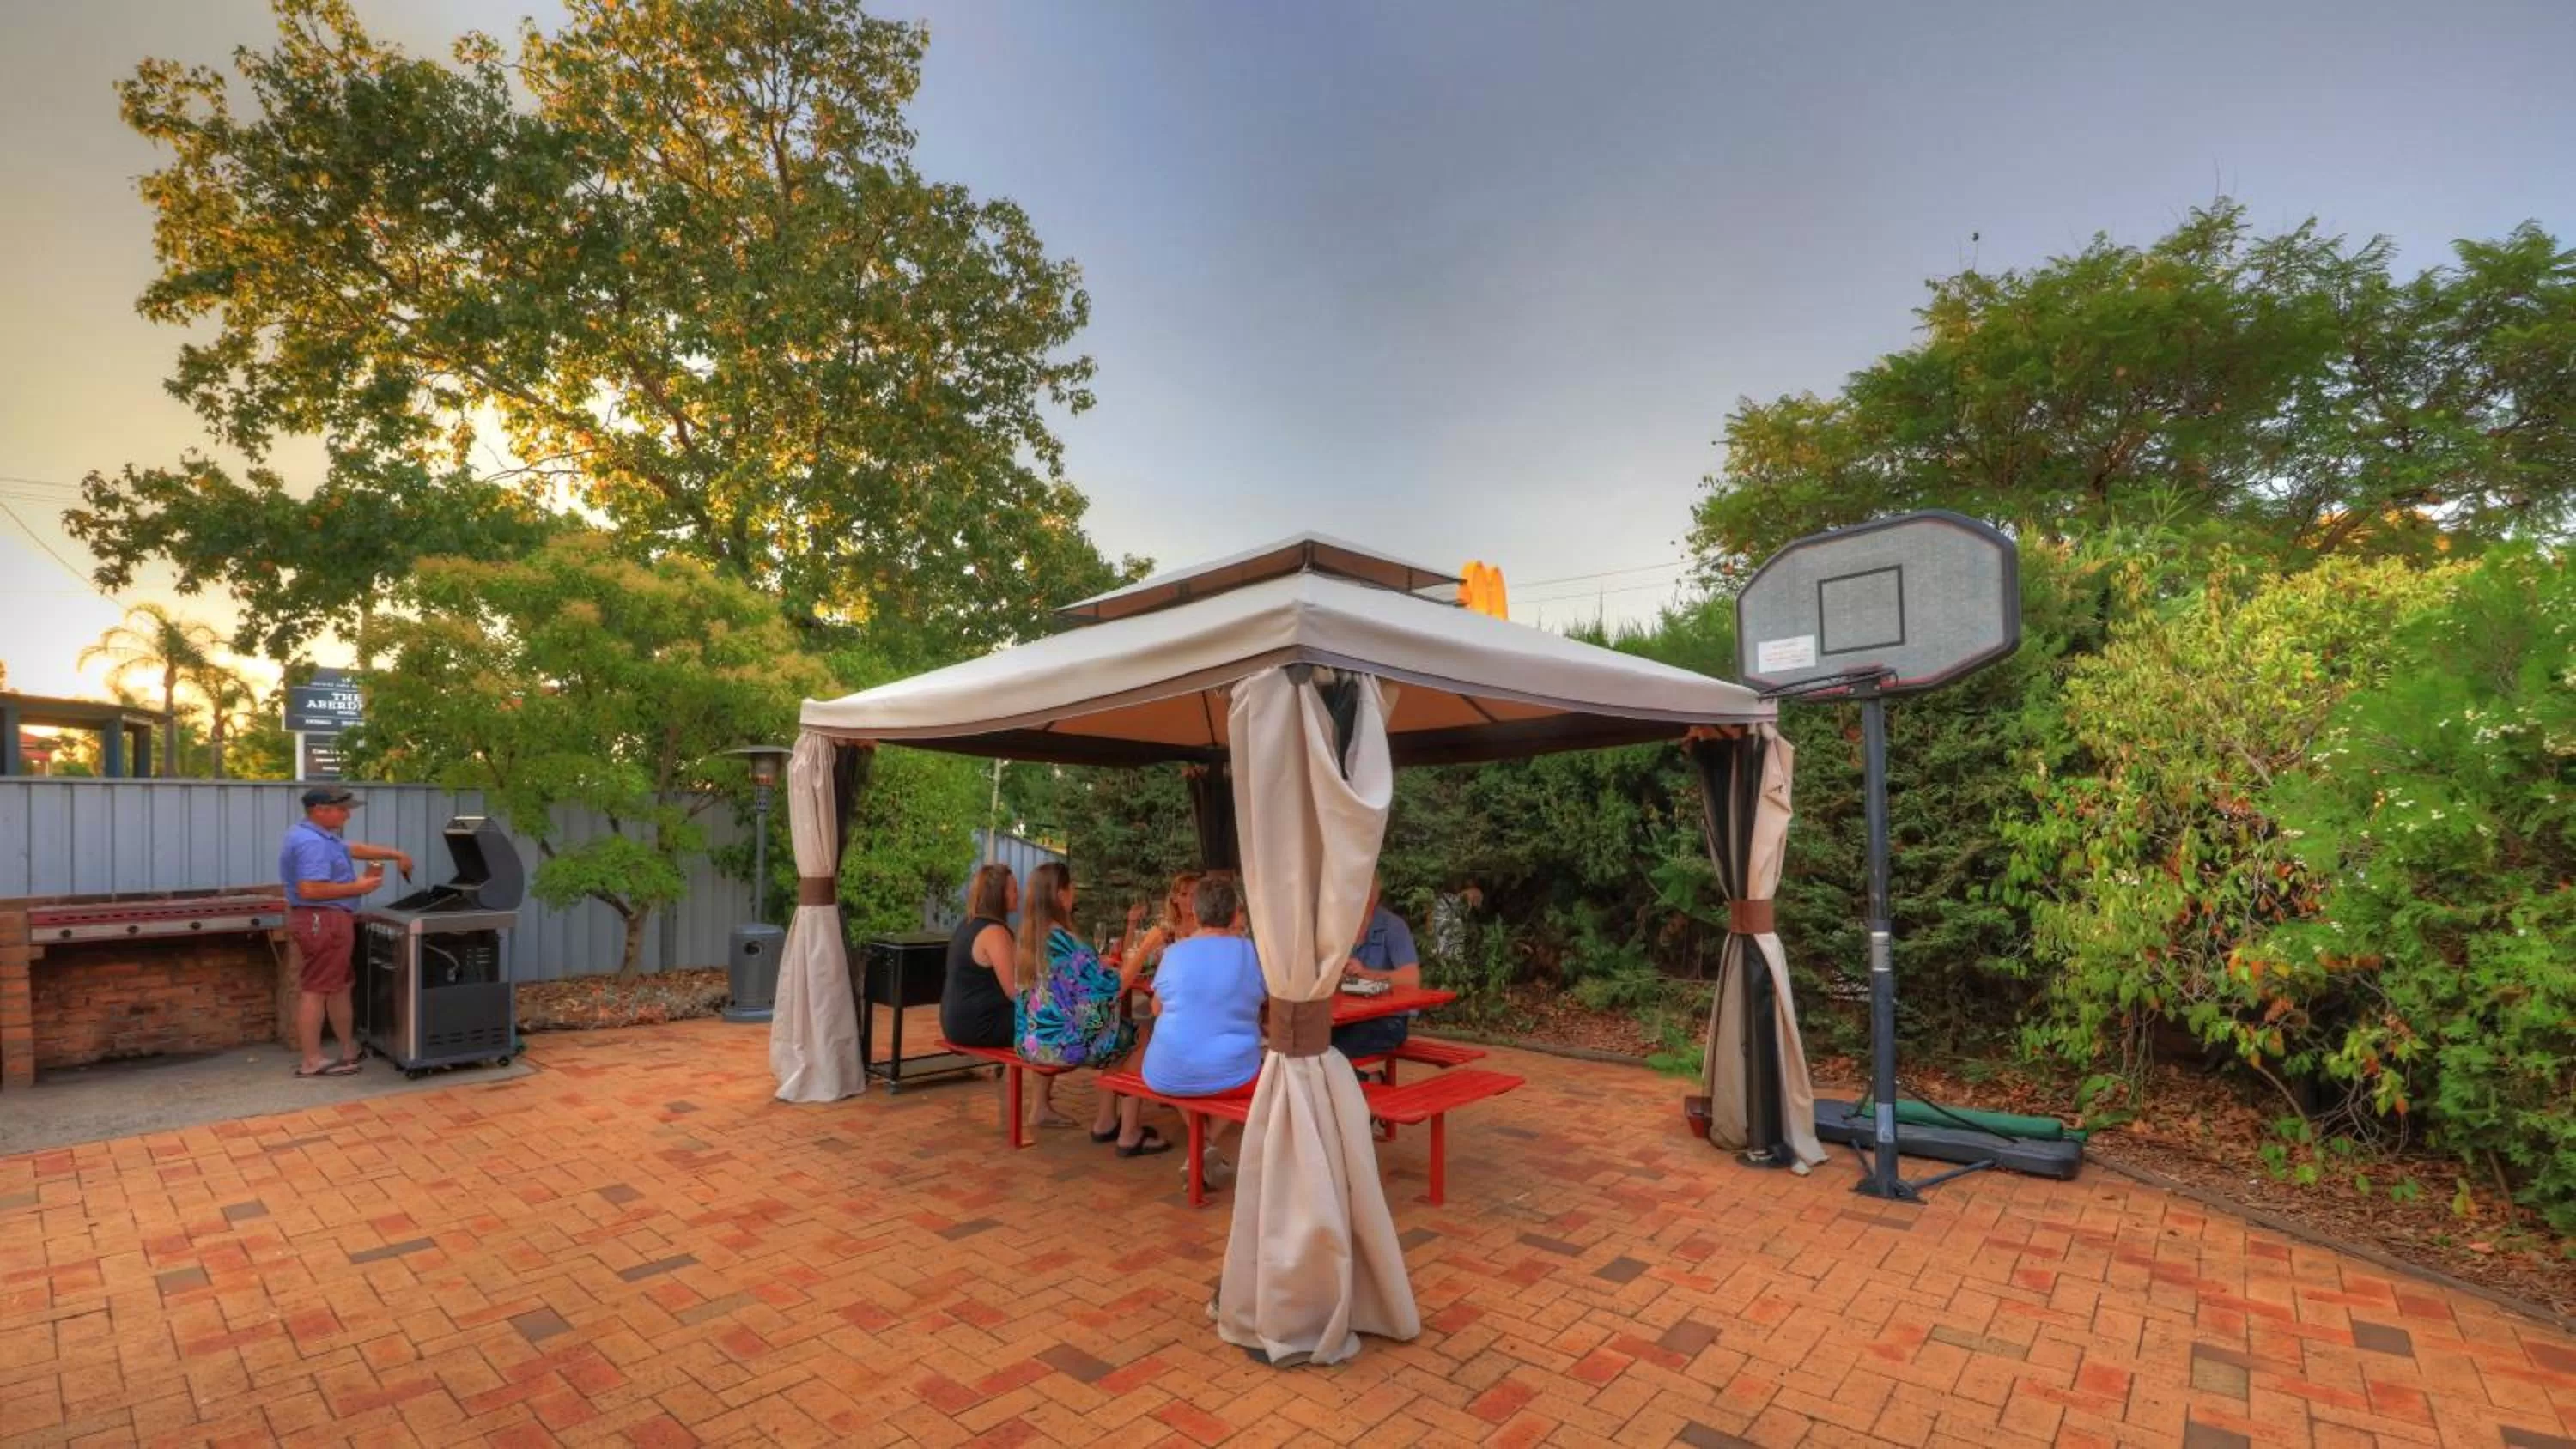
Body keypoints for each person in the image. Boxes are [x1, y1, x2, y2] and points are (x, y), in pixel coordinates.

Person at [1015, 863, 1169, 1155]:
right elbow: (1115, 989)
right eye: (1071, 888)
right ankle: (1130, 1132)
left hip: (1031, 1041)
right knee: (1140, 1035)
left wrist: (1098, 967)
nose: (1074, 894)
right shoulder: (1066, 941)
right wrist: (1147, 946)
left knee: (1116, 1028)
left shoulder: (1031, 937)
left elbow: (1065, 981)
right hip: (1062, 1046)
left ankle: (1106, 1121)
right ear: (1061, 895)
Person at [277, 785, 411, 1078]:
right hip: (322, 920)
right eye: (342, 809)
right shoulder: (311, 843)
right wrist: (358, 887)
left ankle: (348, 1048)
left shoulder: (316, 835)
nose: (348, 814)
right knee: (316, 990)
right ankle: (311, 1061)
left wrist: (395, 853)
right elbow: (309, 889)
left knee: (339, 986)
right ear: (320, 810)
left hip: (330, 919)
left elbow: (352, 848)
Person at [1139, 873, 1263, 1184]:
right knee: (1271, 1074)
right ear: (1236, 915)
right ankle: (1203, 1148)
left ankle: (1200, 1150)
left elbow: (1155, 1009)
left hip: (1165, 1072)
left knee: (1187, 1069)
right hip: (1234, 1073)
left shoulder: (1173, 953)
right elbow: (1265, 1002)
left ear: (1195, 910)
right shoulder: (1251, 953)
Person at [1330, 873, 1419, 1066]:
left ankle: (1365, 1084)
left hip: (1387, 1021)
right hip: (1347, 1017)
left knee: (1333, 1054)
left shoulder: (1393, 927)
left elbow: (1411, 979)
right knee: (1311, 1046)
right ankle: (1368, 1082)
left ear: (1374, 895)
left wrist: (1365, 973)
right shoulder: (1340, 929)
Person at [940, 864, 1018, 1050]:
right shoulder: (995, 933)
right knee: (1053, 1021)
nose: (1019, 894)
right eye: (1014, 890)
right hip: (980, 1026)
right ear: (999, 895)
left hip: (956, 1024)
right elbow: (1015, 991)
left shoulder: (967, 924)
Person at [1126, 870, 1203, 976]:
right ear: (1174, 898)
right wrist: (1132, 923)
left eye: (1194, 895)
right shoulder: (1166, 930)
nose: (1190, 899)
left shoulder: (1208, 930)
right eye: (1184, 894)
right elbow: (1130, 956)